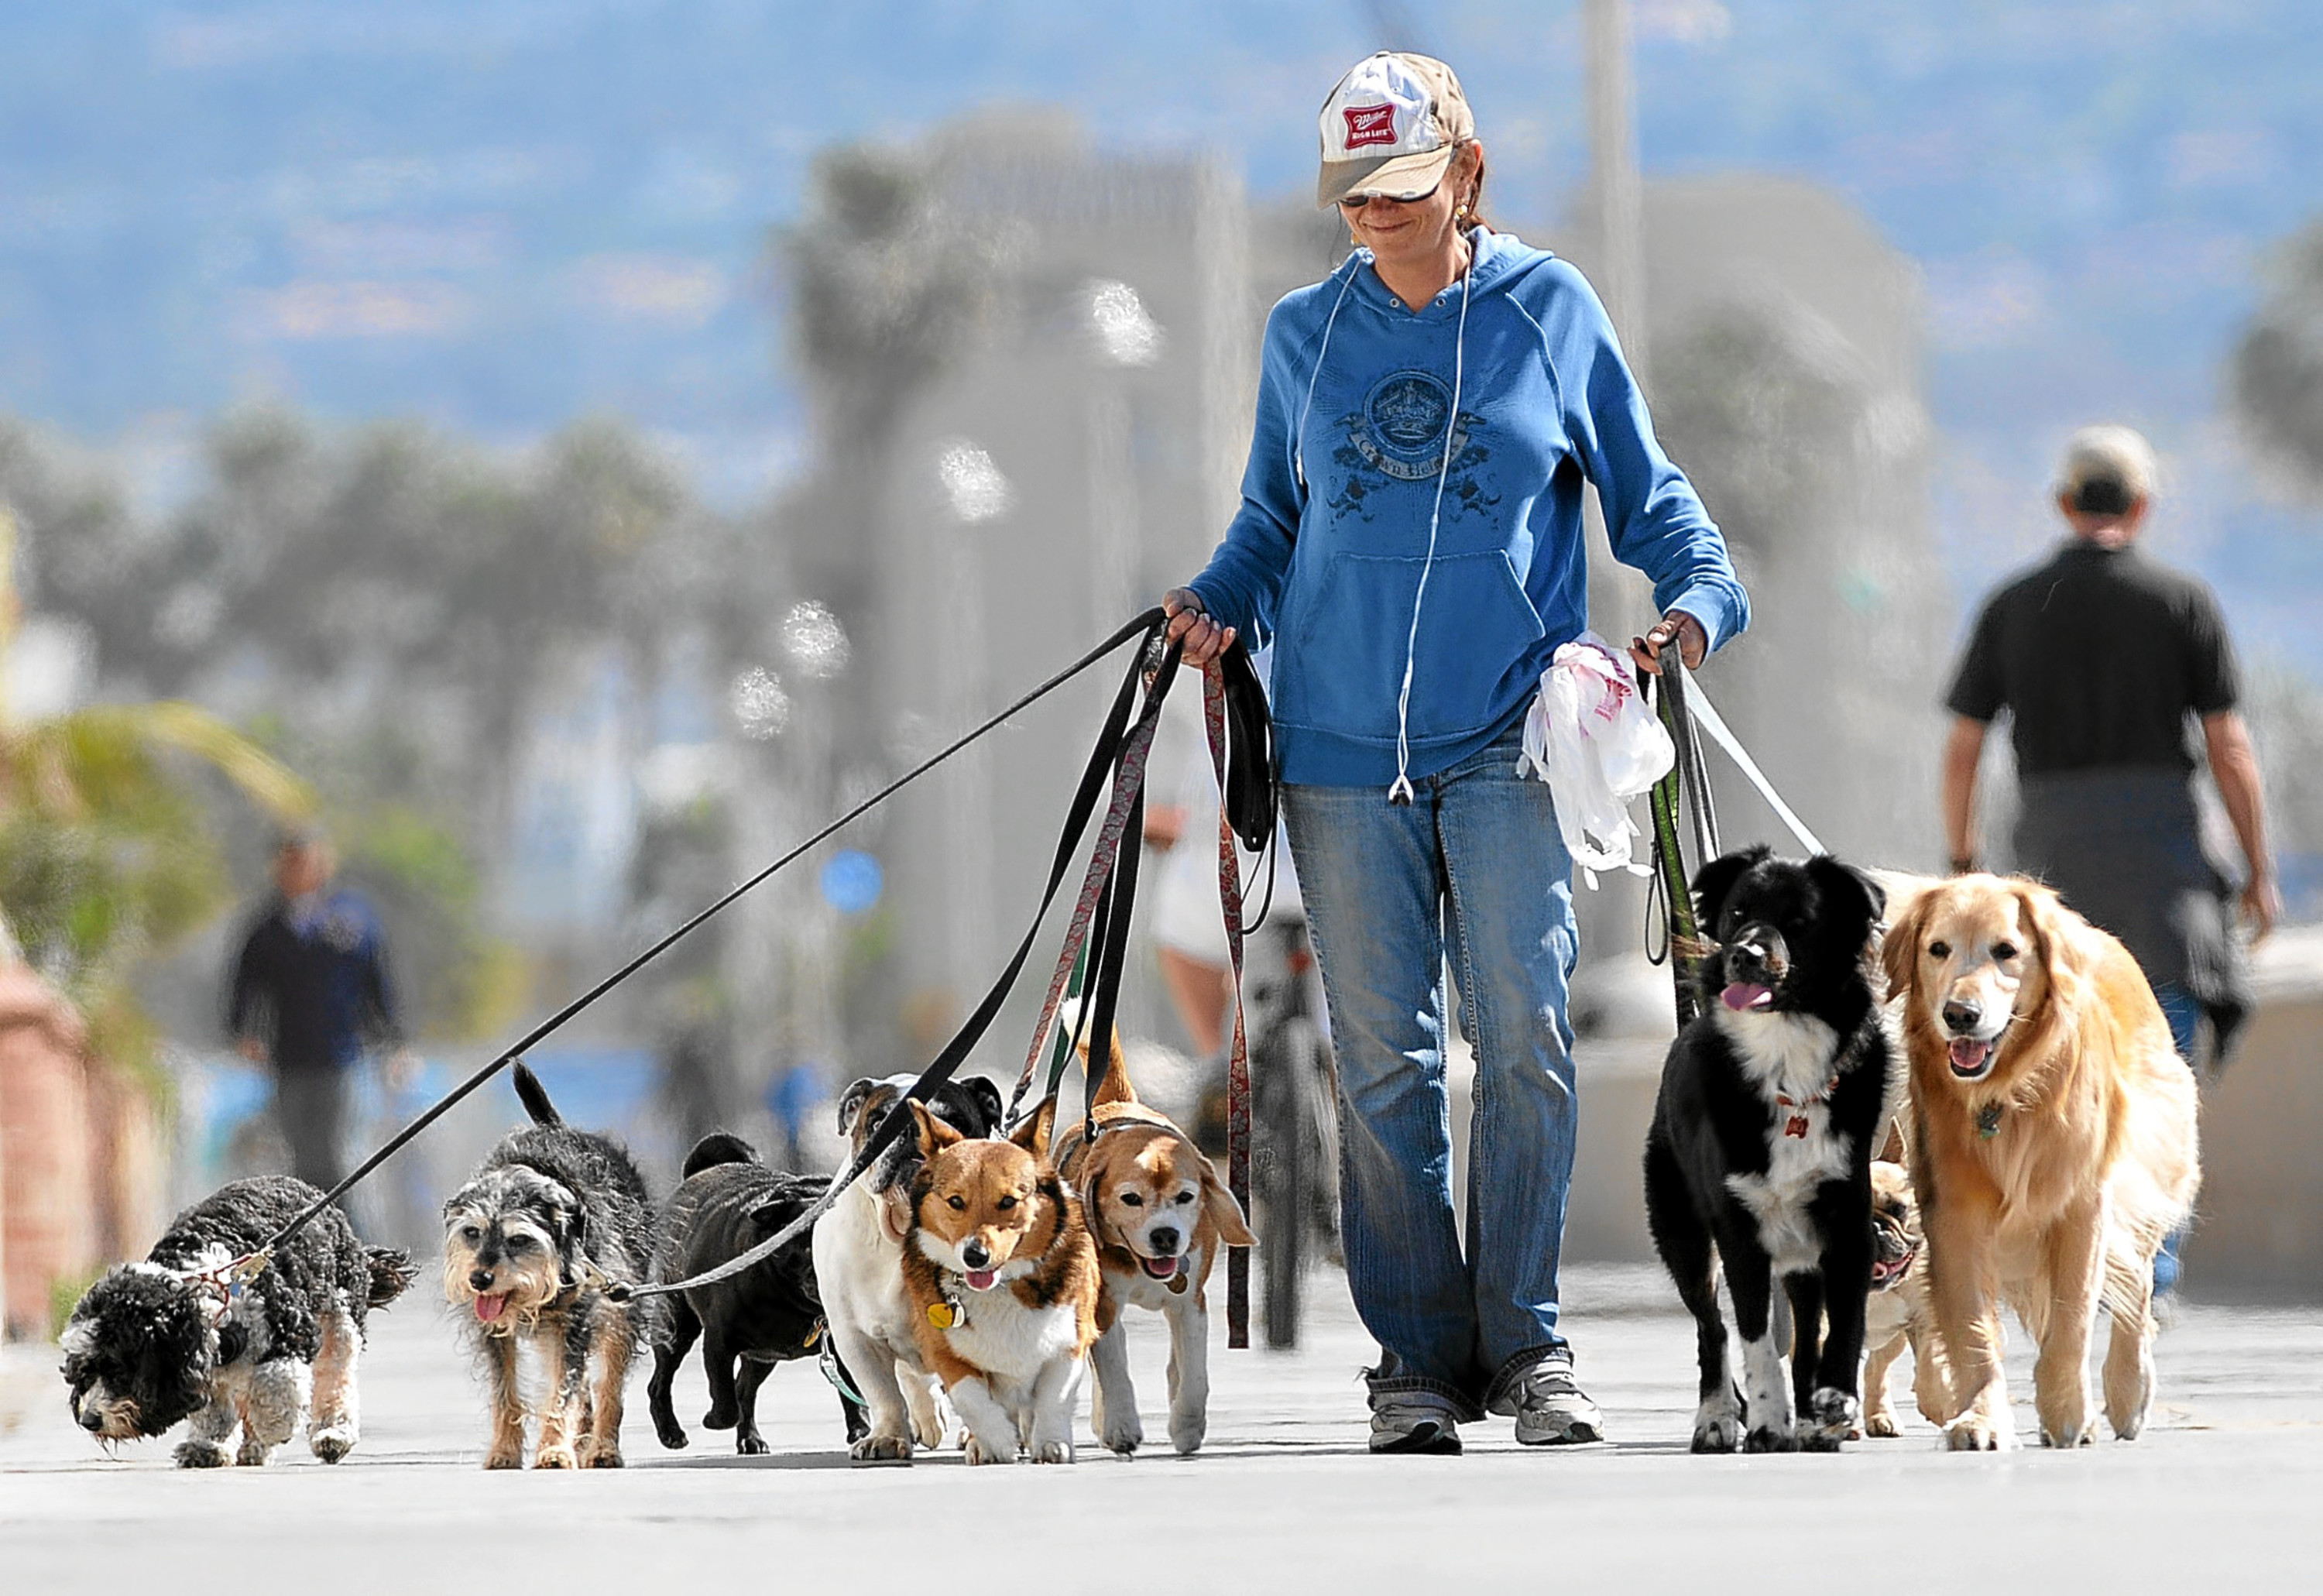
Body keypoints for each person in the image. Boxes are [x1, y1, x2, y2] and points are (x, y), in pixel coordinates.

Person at [1165, 51, 1748, 1454]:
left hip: (1506, 742)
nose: (1371, 214)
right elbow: (1267, 520)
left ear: (1468, 174)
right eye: (1350, 193)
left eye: (1401, 188)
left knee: (1530, 1039)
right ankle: (1416, 1359)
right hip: (1338, 754)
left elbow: (1650, 496)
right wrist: (1211, 601)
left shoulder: (1551, 310)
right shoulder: (1305, 332)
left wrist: (1695, 604)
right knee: (1383, 1063)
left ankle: (1530, 1346)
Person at [1940, 425, 2279, 1289]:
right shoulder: (2182, 600)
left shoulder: (2014, 604)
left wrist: (1965, 859)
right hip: (2162, 874)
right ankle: (2148, 1273)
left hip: (2052, 883)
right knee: (2158, 1071)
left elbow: (1964, 748)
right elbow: (2230, 749)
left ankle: (2061, 1264)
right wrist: (2259, 870)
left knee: (2061, 1069)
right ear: (2141, 506)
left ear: (2063, 504)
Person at [227, 829, 410, 1197]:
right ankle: (313, 1236)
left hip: (340, 1055)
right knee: (301, 1152)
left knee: (336, 1154)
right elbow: (245, 984)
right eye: (290, 863)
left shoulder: (351, 920)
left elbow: (376, 982)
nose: (298, 871)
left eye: (306, 862)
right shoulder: (268, 928)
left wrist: (393, 1041)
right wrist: (244, 1032)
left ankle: (353, 1240)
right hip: (289, 1057)